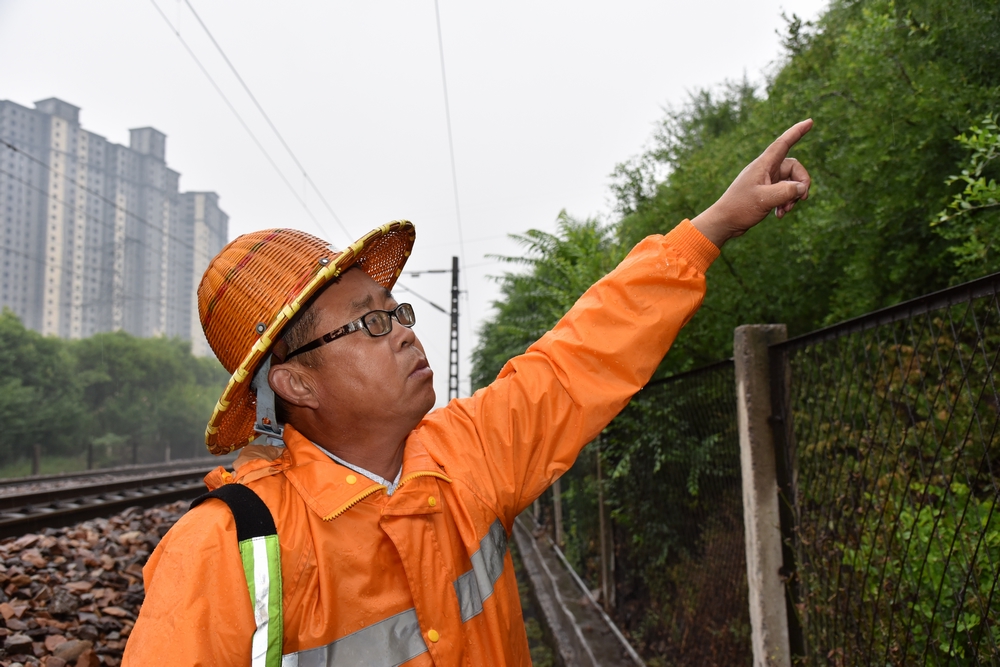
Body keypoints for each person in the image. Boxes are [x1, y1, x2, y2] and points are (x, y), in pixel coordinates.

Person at [122, 120, 812, 666]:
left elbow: (579, 357)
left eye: (396, 311)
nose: (400, 332)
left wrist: (714, 225)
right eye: (369, 322)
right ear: (295, 381)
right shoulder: (222, 553)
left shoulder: (465, 454)